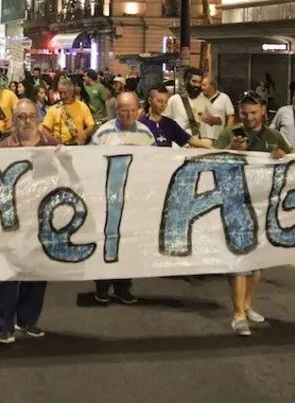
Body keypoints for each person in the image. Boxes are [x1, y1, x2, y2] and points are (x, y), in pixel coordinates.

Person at [214, 91, 291, 337]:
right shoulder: (231, 133)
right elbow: (214, 162)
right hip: (235, 202)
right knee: (239, 260)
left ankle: (247, 305)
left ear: (263, 113)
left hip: (263, 205)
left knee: (257, 263)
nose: (248, 118)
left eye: (253, 113)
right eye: (244, 113)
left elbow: (291, 164)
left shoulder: (274, 137)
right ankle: (238, 315)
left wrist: (283, 156)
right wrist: (231, 149)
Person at [0, 99, 53, 345]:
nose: (26, 121)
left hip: (41, 219)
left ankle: (27, 319)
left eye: (30, 116)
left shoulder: (52, 144)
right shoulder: (2, 148)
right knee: (6, 273)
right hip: (11, 220)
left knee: (37, 271)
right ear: (13, 120)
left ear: (37, 117)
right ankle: (3, 325)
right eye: (21, 117)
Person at [89, 92, 155, 304]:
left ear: (139, 110)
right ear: (117, 110)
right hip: (107, 197)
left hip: (134, 198)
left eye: (132, 110)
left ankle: (123, 286)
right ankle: (102, 286)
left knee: (128, 243)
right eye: (124, 110)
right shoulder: (104, 132)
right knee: (106, 240)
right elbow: (89, 160)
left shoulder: (146, 133)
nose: (128, 115)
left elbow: (155, 163)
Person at [41, 75, 95, 146]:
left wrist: (85, 133)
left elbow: (91, 125)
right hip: (59, 147)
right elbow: (44, 130)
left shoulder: (82, 106)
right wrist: (54, 141)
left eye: (65, 93)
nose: (62, 96)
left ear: (72, 92)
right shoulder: (54, 108)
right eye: (60, 93)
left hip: (77, 146)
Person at [163, 67, 204, 140]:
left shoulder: (204, 101)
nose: (197, 85)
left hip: (198, 144)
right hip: (179, 144)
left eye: (199, 82)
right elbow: (164, 122)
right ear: (186, 81)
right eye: (194, 81)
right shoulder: (175, 100)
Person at [196, 74, 235, 141]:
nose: (201, 87)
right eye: (201, 85)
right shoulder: (198, 98)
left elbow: (231, 116)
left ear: (212, 86)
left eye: (204, 85)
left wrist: (227, 133)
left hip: (219, 139)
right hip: (201, 138)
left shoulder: (224, 97)